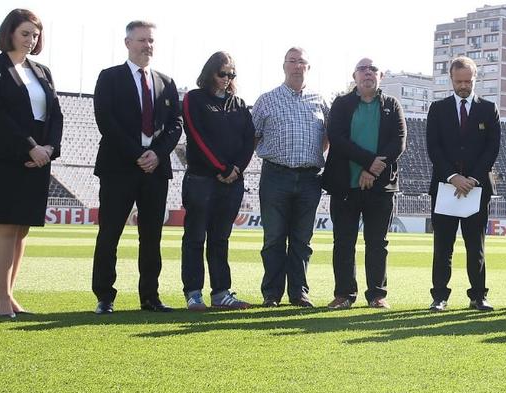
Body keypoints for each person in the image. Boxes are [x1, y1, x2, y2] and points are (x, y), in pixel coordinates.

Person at [91, 20, 182, 314]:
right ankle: (105, 296)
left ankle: (150, 297)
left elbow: (175, 125)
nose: (148, 46)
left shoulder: (166, 82)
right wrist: (137, 154)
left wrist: (156, 153)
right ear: (128, 43)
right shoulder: (109, 77)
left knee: (152, 235)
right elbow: (106, 120)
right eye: (142, 40)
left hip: (155, 169)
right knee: (110, 233)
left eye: (151, 41)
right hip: (119, 166)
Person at [0, 8, 63, 319]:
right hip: (5, 156)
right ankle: (1, 298)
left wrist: (49, 149)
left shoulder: (42, 71)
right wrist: (30, 148)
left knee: (23, 228)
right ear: (10, 33)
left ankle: (9, 295)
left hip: (40, 158)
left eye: (35, 35)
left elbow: (56, 114)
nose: (31, 39)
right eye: (25, 33)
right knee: (6, 224)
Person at [322, 57, 406, 310]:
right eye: (362, 69)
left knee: (377, 242)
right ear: (354, 76)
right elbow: (337, 138)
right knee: (344, 242)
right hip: (345, 185)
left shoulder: (392, 104)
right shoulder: (342, 103)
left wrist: (372, 171)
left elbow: (398, 142)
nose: (368, 73)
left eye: (373, 69)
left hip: (380, 188)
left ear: (380, 76)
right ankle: (344, 294)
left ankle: (377, 295)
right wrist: (371, 162)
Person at [252, 46, 328, 308]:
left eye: (302, 62)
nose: (297, 66)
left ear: (309, 67)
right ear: (284, 66)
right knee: (273, 237)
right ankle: (271, 293)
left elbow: (327, 137)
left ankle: (299, 293)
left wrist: (312, 156)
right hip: (276, 175)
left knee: (302, 239)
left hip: (309, 177)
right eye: (292, 61)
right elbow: (253, 136)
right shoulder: (266, 100)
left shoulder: (320, 100)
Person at [180, 51, 254, 311]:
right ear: (210, 72)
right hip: (202, 179)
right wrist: (221, 167)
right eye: (222, 73)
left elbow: (249, 141)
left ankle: (221, 292)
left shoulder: (240, 104)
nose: (226, 78)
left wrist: (236, 169)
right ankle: (193, 293)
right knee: (195, 237)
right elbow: (197, 136)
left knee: (220, 238)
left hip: (232, 182)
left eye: (231, 74)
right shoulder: (194, 99)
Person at [426, 56, 501, 312]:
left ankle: (478, 296)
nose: (463, 86)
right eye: (459, 81)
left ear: (475, 78)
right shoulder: (437, 108)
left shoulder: (488, 109)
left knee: (475, 247)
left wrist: (473, 178)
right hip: (445, 187)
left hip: (477, 189)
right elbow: (433, 148)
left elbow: (492, 148)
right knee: (443, 247)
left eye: (468, 81)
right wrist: (452, 177)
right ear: (451, 79)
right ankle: (439, 296)